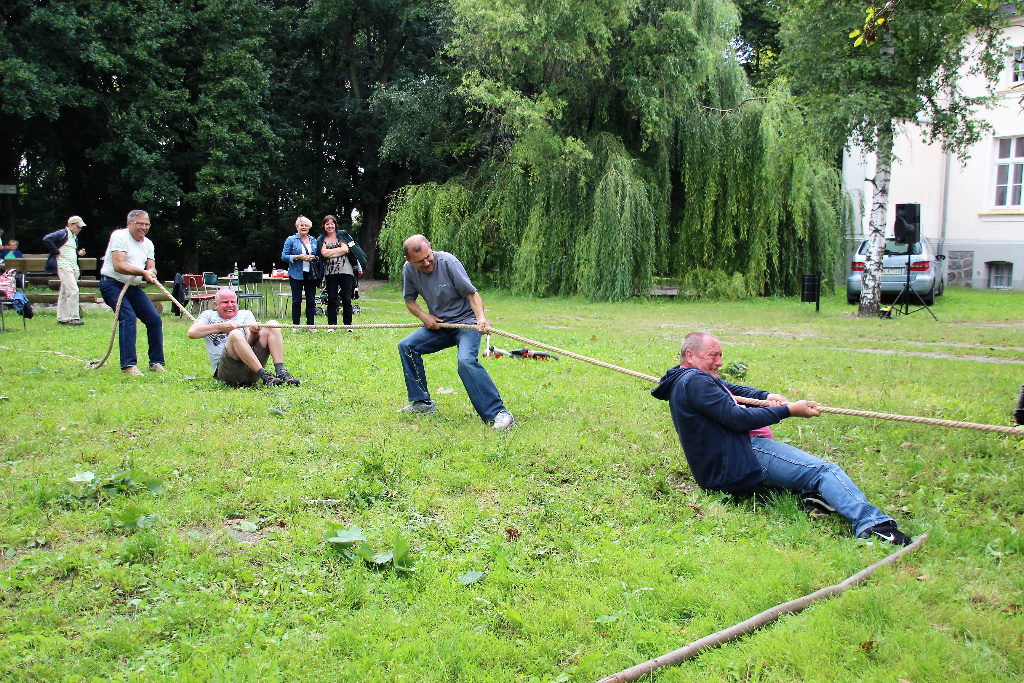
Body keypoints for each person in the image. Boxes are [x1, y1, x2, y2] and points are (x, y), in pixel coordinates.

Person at [651, 331, 912, 546]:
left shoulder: (689, 378)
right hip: (742, 456)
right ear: (690, 355)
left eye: (721, 355)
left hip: (724, 467)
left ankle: (812, 497)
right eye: (713, 355)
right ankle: (873, 526)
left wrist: (765, 397)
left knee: (808, 475)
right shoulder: (695, 381)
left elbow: (731, 389)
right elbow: (736, 418)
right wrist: (789, 410)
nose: (719, 362)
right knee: (823, 471)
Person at [397, 234, 514, 430]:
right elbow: (409, 300)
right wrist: (424, 317)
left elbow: (472, 294)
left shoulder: (448, 262)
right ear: (408, 260)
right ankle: (422, 403)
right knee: (407, 346)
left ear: (431, 248)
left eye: (428, 256)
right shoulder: (408, 270)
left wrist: (481, 319)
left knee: (466, 361)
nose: (426, 263)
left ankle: (499, 413)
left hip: (467, 323)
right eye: (420, 261)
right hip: (441, 326)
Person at [187, 288, 300, 387]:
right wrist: (221, 327)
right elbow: (192, 333)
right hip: (228, 372)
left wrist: (254, 332)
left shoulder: (245, 314)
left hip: (251, 368)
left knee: (272, 324)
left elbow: (250, 341)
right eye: (225, 302)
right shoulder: (208, 315)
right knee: (235, 334)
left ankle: (282, 373)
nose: (230, 305)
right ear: (216, 305)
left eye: (233, 302)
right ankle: (265, 375)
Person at [99, 210, 165, 376]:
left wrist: (151, 272)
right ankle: (128, 365)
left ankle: (156, 362)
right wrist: (142, 272)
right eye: (139, 223)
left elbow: (151, 266)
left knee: (154, 319)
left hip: (133, 288)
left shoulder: (148, 244)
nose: (144, 227)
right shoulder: (119, 236)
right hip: (112, 285)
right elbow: (118, 265)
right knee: (128, 317)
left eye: (146, 224)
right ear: (129, 223)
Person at [316, 214, 367, 327]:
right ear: (324, 226)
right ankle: (332, 324)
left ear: (335, 225)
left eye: (332, 224)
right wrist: (338, 250)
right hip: (330, 271)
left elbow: (346, 249)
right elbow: (323, 253)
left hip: (346, 270)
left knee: (346, 298)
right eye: (327, 224)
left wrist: (330, 252)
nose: (330, 226)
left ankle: (348, 324)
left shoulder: (342, 235)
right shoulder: (321, 239)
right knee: (332, 298)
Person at [43, 216, 88, 326]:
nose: (80, 229)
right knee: (73, 290)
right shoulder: (63, 233)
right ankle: (74, 318)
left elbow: (68, 250)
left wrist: (78, 253)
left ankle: (62, 318)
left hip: (73, 266)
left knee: (64, 293)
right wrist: (56, 252)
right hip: (64, 266)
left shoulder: (74, 237)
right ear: (70, 224)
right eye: (78, 226)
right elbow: (47, 239)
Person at [281, 215, 318, 326]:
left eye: (306, 225)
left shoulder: (313, 240)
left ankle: (310, 325)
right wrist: (298, 257)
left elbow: (319, 256)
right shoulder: (291, 240)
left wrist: (314, 257)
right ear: (297, 227)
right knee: (297, 300)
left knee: (311, 300)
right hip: (296, 274)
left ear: (309, 227)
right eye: (301, 225)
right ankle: (296, 324)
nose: (304, 227)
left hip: (310, 274)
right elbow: (284, 256)